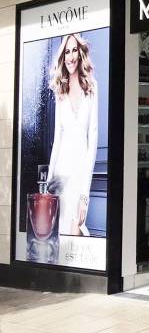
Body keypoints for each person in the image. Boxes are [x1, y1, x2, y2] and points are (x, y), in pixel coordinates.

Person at [46, 33, 99, 237]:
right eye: (67, 52)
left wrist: (84, 196)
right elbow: (57, 140)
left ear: (80, 53)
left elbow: (92, 139)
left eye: (74, 50)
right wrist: (49, 183)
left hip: (80, 174)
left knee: (75, 230)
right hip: (61, 173)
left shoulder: (92, 87)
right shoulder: (60, 91)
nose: (70, 56)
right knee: (59, 234)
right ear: (63, 56)